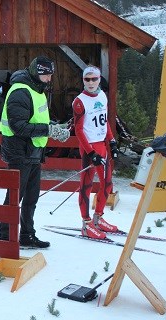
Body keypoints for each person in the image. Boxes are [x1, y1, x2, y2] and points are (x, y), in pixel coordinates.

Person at [0, 56, 70, 248]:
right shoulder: (20, 91)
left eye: (50, 74)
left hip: (33, 152)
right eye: (46, 74)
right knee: (15, 198)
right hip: (19, 152)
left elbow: (36, 118)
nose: (49, 78)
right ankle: (6, 238)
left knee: (31, 197)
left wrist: (54, 127)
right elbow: (18, 126)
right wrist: (48, 130)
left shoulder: (37, 90)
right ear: (36, 73)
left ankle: (27, 235)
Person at [72, 65, 119, 240]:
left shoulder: (102, 95)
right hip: (88, 147)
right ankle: (86, 224)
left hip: (102, 145)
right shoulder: (79, 101)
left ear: (99, 79)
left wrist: (112, 141)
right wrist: (91, 153)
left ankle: (98, 218)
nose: (91, 83)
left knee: (108, 184)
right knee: (86, 185)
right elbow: (78, 130)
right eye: (87, 79)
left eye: (94, 79)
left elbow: (104, 120)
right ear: (83, 80)